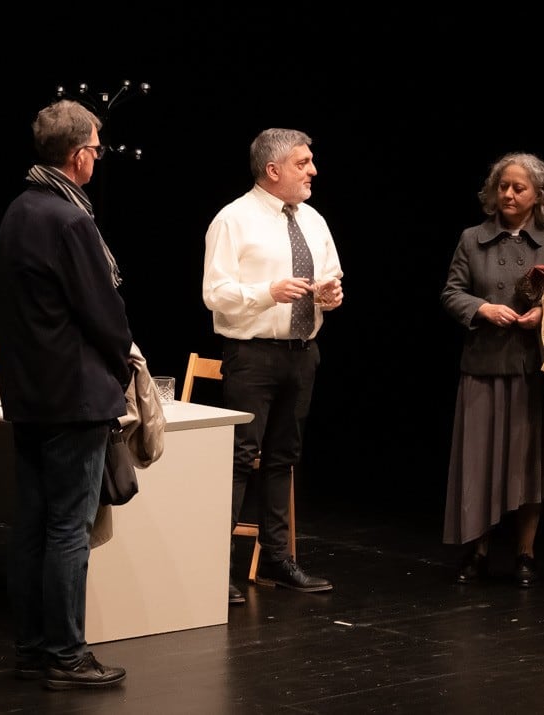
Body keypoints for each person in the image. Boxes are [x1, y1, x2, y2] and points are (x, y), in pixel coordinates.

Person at [0, 99, 130, 689]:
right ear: (79, 156)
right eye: (97, 150)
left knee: (33, 522)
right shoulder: (71, 220)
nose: (98, 158)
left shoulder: (19, 208)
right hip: (72, 396)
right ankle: (67, 655)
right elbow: (103, 313)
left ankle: (32, 647)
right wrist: (123, 361)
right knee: (68, 527)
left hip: (29, 392)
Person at [440, 151, 544, 588]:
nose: (508, 194)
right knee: (479, 464)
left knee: (528, 466)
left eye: (518, 188)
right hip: (483, 369)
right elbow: (451, 293)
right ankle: (478, 551)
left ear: (539, 195)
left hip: (533, 372)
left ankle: (525, 554)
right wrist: (482, 308)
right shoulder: (472, 238)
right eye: (502, 187)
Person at [202, 127, 344, 604]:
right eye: (303, 163)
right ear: (273, 169)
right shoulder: (233, 220)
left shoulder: (313, 220)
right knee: (242, 458)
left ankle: (278, 561)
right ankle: (213, 568)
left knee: (284, 458)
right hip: (253, 354)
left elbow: (330, 276)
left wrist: (331, 294)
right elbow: (215, 294)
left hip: (302, 352)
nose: (312, 171)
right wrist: (268, 292)